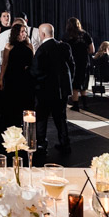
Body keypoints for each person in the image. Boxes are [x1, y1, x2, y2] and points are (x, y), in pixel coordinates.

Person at [31, 23, 74, 155]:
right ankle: (64, 143)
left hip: (45, 90)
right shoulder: (64, 46)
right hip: (62, 90)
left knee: (42, 118)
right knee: (61, 117)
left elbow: (35, 71)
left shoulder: (41, 50)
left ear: (42, 34)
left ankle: (41, 145)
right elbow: (71, 66)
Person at [0, 22, 35, 132]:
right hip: (12, 78)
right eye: (22, 31)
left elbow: (33, 62)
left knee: (26, 102)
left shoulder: (29, 46)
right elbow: (4, 63)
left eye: (25, 31)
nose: (25, 34)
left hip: (26, 78)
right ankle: (14, 127)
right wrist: (1, 79)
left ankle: (27, 128)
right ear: (16, 33)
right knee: (13, 103)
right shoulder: (9, 46)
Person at [64, 17, 94, 111]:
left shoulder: (67, 36)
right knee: (83, 82)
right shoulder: (85, 34)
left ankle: (76, 105)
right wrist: (84, 52)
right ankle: (85, 104)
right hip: (84, 61)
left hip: (73, 62)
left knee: (75, 84)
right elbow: (92, 50)